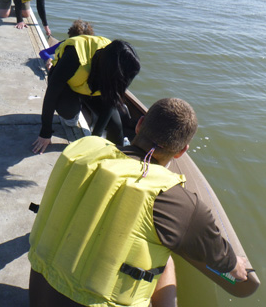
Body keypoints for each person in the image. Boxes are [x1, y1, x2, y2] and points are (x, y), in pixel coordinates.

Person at [28, 98, 247, 307]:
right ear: (182, 152)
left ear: (140, 124)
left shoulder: (85, 151)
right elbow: (226, 263)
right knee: (163, 254)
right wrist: (235, 264)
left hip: (39, 291)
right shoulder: (175, 201)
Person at [32, 35, 141, 154]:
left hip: (92, 88)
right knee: (68, 112)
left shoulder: (124, 68)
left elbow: (112, 100)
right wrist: (45, 133)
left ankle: (88, 110)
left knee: (116, 125)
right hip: (69, 86)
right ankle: (76, 111)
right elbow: (51, 95)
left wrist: (94, 138)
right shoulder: (74, 56)